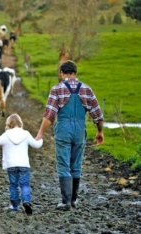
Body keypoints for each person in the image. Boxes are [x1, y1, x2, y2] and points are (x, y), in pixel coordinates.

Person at [35, 60, 104, 211]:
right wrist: (100, 131)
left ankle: (65, 201)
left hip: (63, 130)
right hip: (80, 129)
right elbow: (98, 115)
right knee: (76, 164)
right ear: (75, 73)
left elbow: (49, 115)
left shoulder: (57, 89)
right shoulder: (86, 89)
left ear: (61, 73)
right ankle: (73, 200)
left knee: (63, 164)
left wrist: (40, 133)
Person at [0, 113, 43, 215]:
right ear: (20, 123)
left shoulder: (6, 135)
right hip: (24, 164)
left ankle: (14, 205)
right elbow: (36, 145)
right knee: (25, 184)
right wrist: (40, 139)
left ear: (9, 124)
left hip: (11, 165)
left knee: (13, 185)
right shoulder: (26, 134)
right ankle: (26, 202)